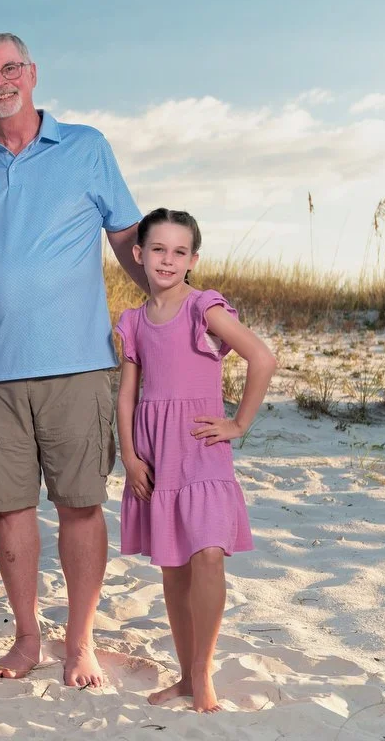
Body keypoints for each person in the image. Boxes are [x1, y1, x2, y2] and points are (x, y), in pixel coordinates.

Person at [0, 32, 147, 687]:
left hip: (79, 364)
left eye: (8, 69)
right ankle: (28, 637)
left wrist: (176, 308)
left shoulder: (86, 147)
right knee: (10, 509)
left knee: (81, 504)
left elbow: (128, 238)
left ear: (31, 72)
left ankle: (79, 641)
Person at [114, 208, 276, 713]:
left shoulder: (202, 308)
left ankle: (202, 673)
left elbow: (263, 358)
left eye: (179, 251)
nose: (167, 259)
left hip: (202, 449)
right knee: (174, 566)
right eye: (158, 249)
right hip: (155, 452)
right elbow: (126, 395)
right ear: (139, 255)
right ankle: (185, 676)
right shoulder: (135, 321)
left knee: (207, 554)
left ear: (193, 259)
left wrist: (238, 424)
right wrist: (130, 456)